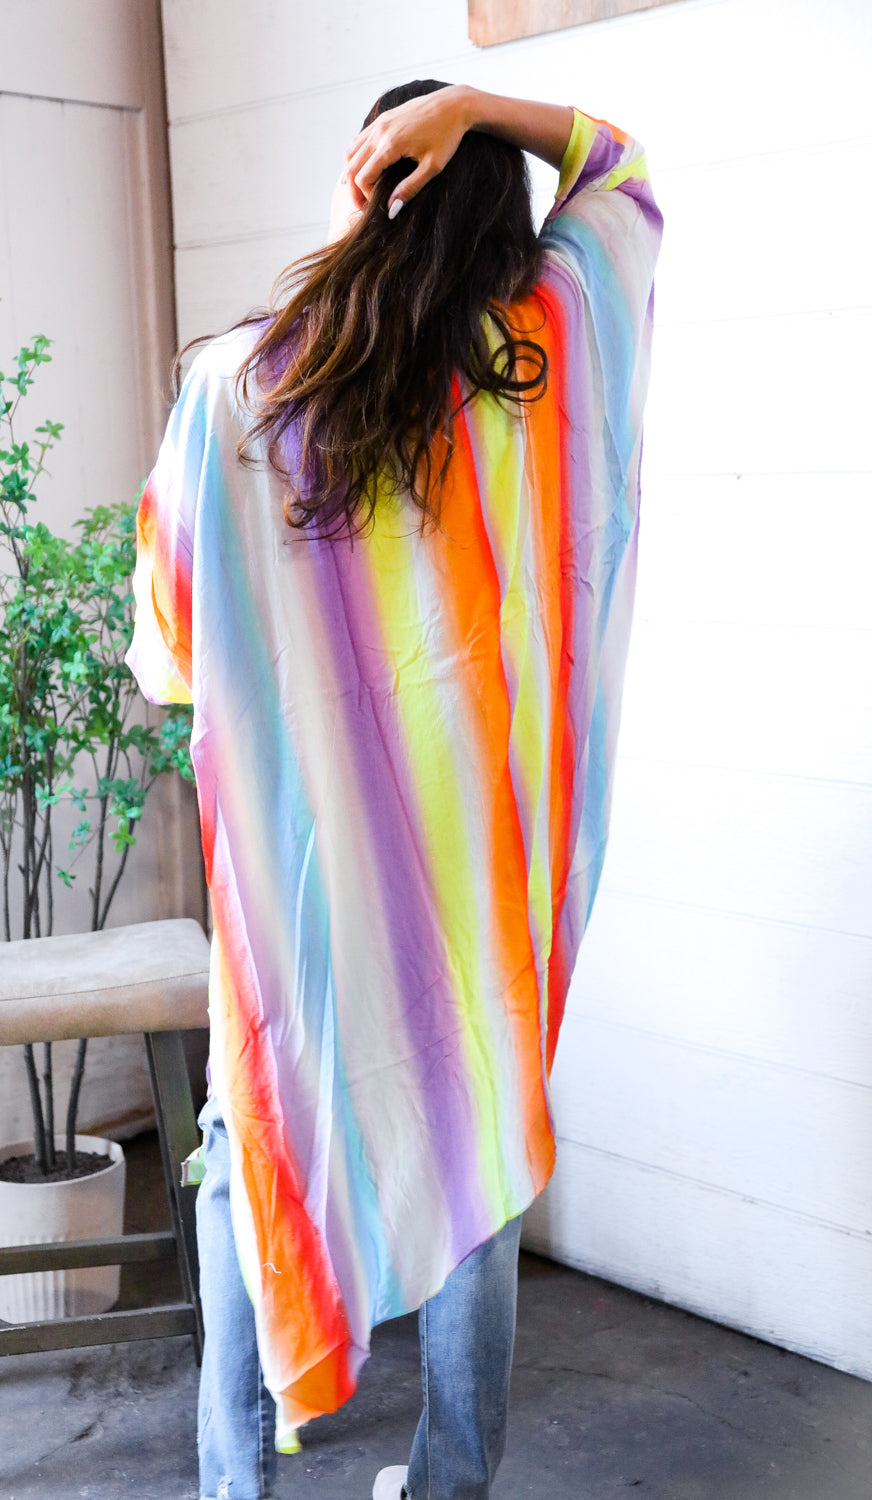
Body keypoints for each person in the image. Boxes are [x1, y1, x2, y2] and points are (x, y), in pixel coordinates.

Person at [126, 77, 661, 1500]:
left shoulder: (237, 389)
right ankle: (448, 1481)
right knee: (475, 1139)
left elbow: (169, 654)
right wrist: (481, 108)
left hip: (308, 883)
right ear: (501, 216)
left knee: (255, 1138)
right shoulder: (544, 362)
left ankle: (238, 1483)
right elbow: (624, 171)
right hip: (477, 878)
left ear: (369, 187)